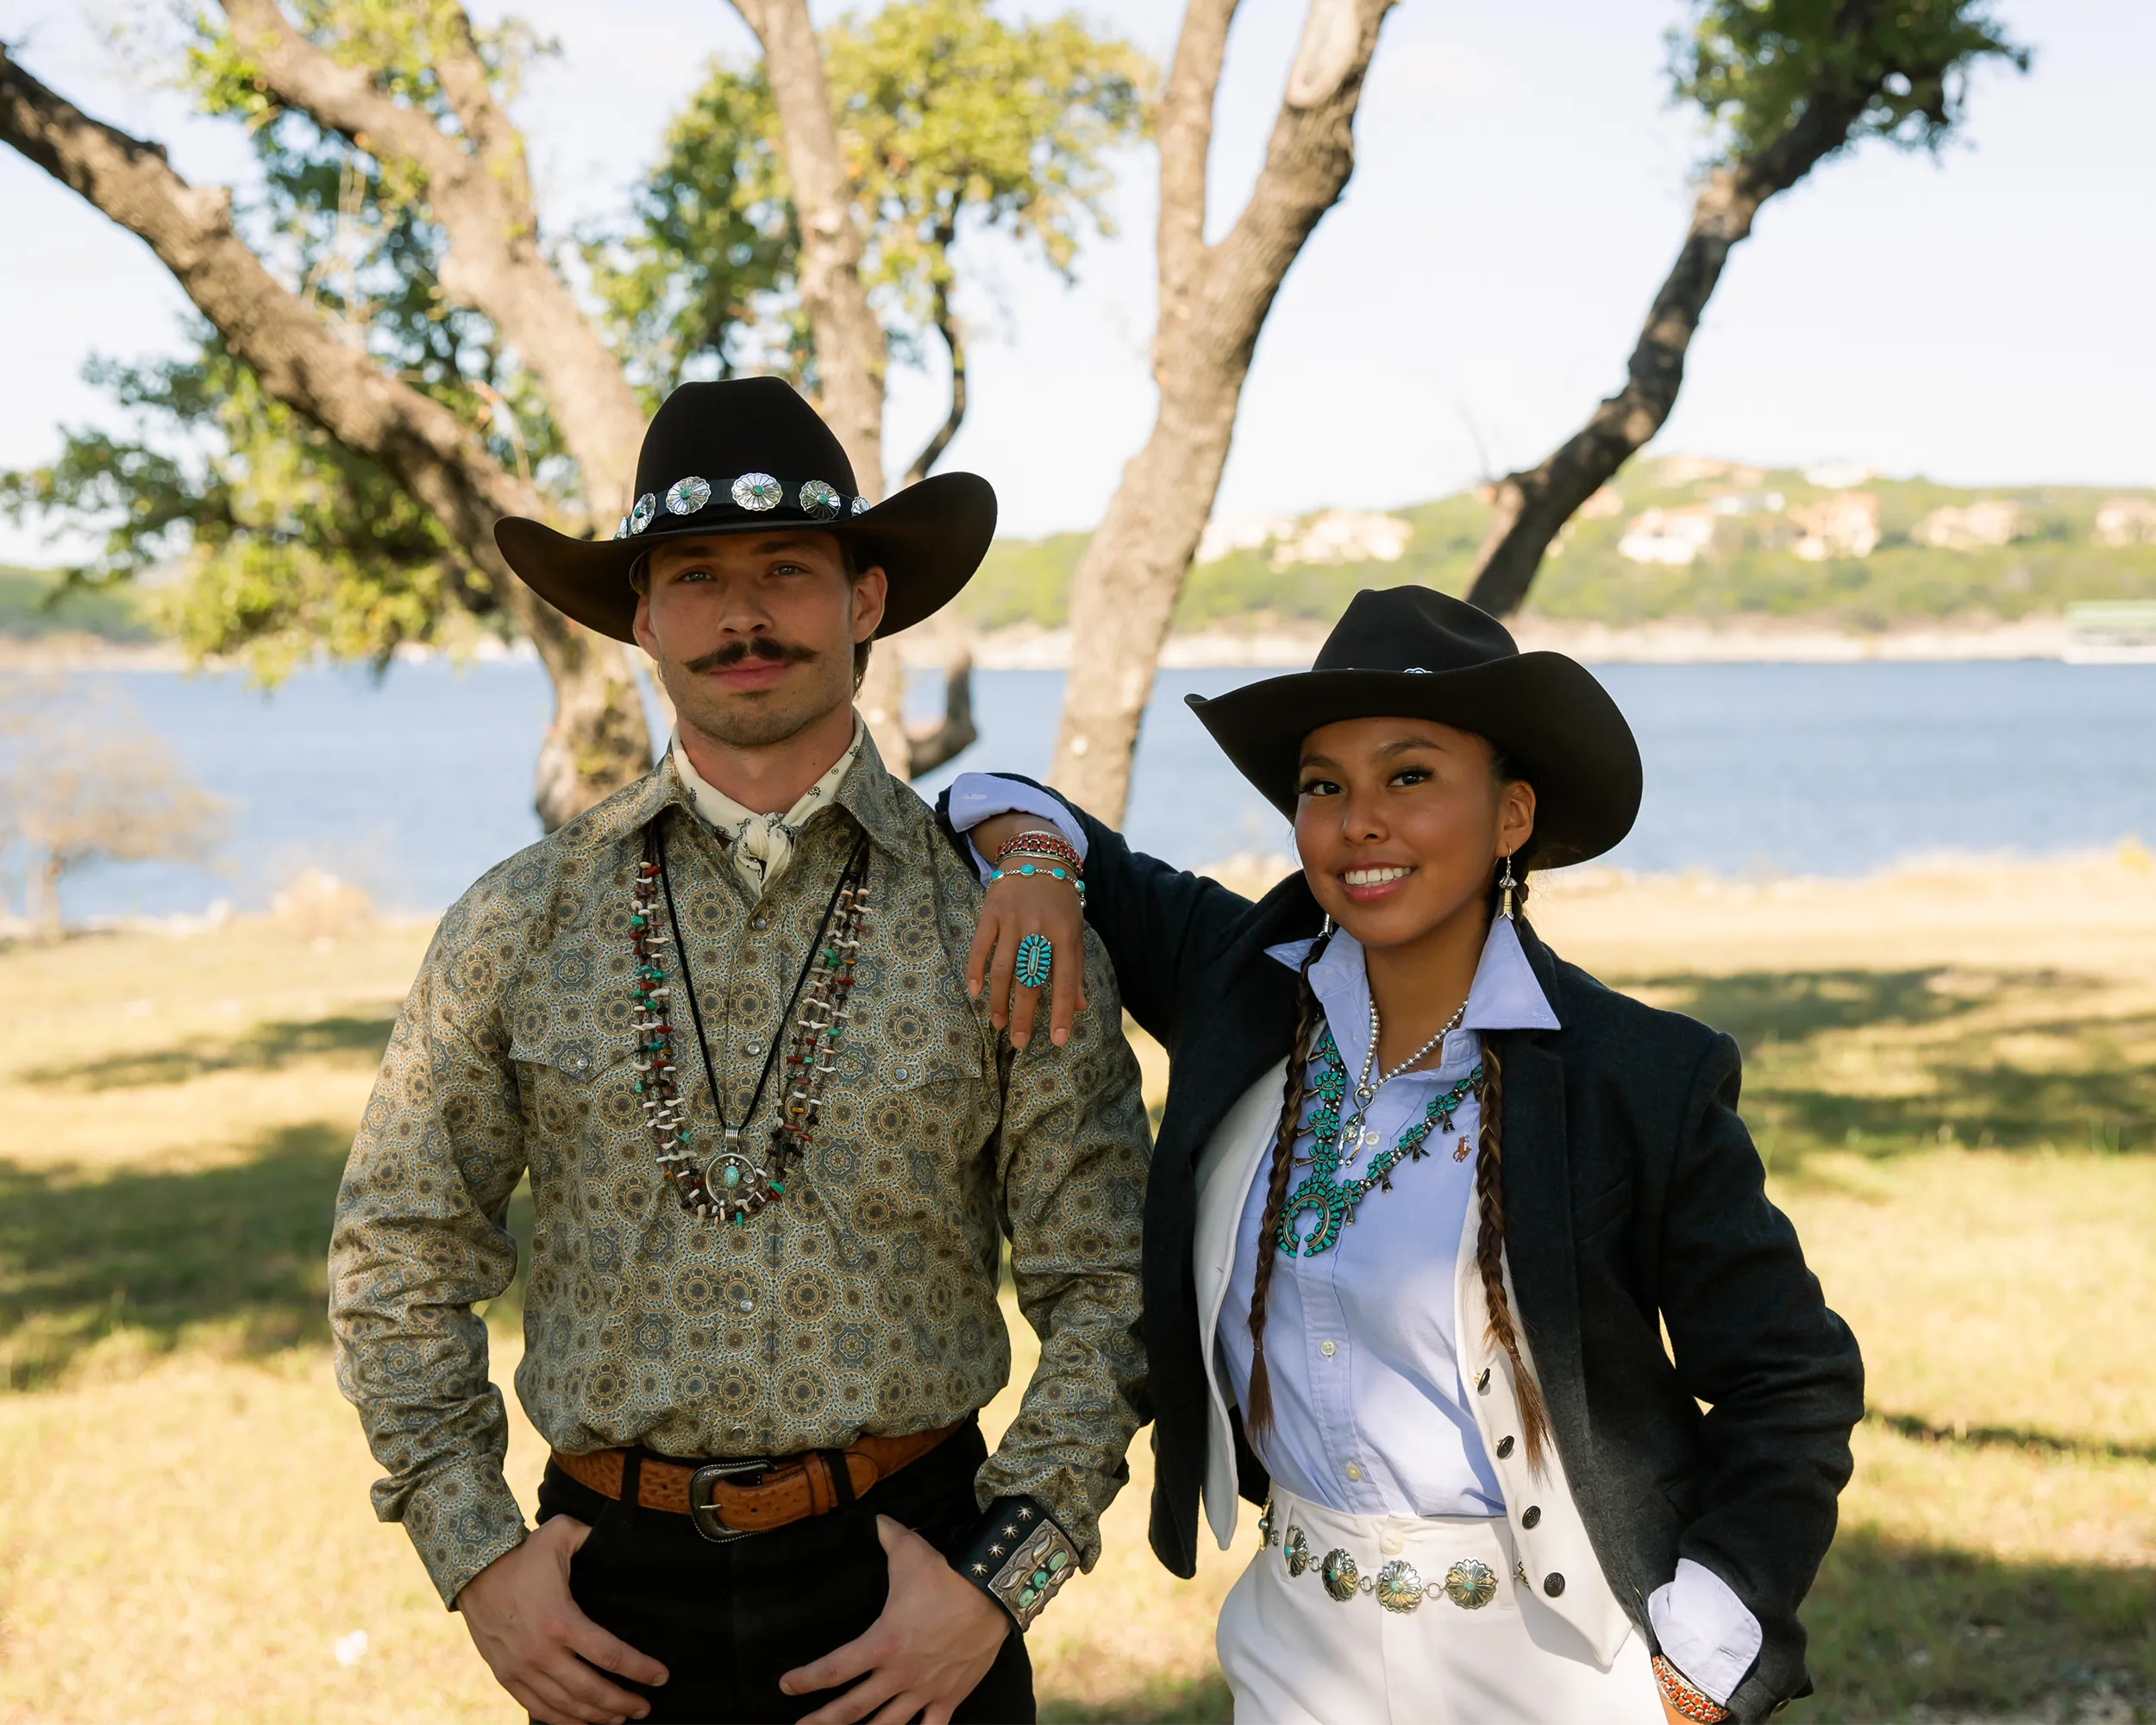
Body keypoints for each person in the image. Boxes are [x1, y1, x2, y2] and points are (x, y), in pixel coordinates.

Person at [329, 377, 1152, 1725]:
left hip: (916, 1582)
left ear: (866, 600)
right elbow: (399, 1250)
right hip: (606, 1603)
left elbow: (1111, 1280)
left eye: (786, 569)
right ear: (642, 617)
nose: (743, 614)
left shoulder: (1003, 918)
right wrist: (476, 1558)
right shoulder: (519, 920)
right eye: (696, 577)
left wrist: (1003, 1572)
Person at [945, 586, 1865, 1725]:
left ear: (1513, 813)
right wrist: (1037, 865)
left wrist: (1701, 1658)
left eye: (1410, 776)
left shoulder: (1638, 1074)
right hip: (1296, 1655)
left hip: (1564, 1666)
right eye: (1323, 786)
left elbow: (1792, 1379)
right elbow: (998, 796)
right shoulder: (1240, 985)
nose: (1357, 821)